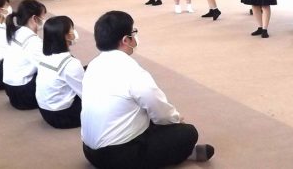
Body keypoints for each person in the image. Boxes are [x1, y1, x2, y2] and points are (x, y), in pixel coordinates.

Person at [81, 11, 214, 169]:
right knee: (188, 132)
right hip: (117, 156)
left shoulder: (92, 66)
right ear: (125, 40)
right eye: (133, 33)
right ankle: (184, 153)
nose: (135, 37)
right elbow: (160, 112)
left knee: (144, 114)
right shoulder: (132, 71)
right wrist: (176, 120)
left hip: (89, 152)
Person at [36, 16, 84, 129]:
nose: (74, 32)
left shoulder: (44, 57)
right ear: (66, 36)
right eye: (72, 29)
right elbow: (86, 94)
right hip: (64, 116)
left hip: (45, 111)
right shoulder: (71, 63)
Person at [3, 0, 46, 110]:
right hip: (24, 95)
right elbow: (48, 68)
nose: (44, 20)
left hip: (11, 90)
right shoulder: (32, 41)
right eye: (43, 16)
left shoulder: (15, 32)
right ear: (34, 18)